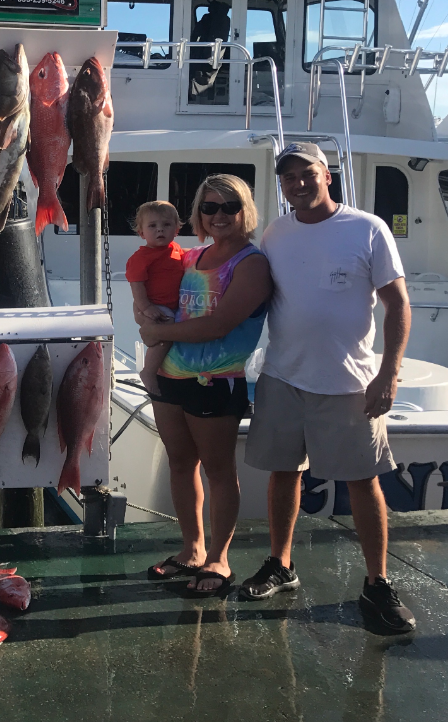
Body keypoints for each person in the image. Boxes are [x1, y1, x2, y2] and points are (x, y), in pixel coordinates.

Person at [240, 142, 415, 633]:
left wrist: (389, 373)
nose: (297, 183)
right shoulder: (276, 233)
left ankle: (377, 583)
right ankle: (281, 564)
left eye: (306, 173)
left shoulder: (367, 228)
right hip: (282, 376)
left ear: (327, 175)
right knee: (283, 473)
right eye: (288, 177)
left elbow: (398, 305)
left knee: (364, 480)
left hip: (349, 384)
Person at [139, 174, 272, 596]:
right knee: (180, 463)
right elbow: (157, 306)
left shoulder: (252, 263)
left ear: (244, 211)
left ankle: (219, 557)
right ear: (198, 214)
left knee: (218, 471)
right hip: (170, 377)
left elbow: (218, 325)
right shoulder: (191, 257)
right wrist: (148, 321)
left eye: (228, 207)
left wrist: (157, 335)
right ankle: (192, 548)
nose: (218, 215)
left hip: (217, 380)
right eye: (209, 207)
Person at [126, 201, 185, 395]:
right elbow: (137, 284)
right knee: (166, 335)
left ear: (176, 229)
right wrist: (146, 308)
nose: (160, 229)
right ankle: (148, 372)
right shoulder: (141, 258)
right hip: (156, 306)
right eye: (152, 226)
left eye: (166, 225)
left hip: (174, 305)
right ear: (141, 233)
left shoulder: (177, 250)